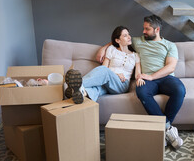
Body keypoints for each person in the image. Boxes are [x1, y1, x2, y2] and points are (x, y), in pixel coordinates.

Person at [96, 15, 186, 150]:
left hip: (165, 78)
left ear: (157, 30)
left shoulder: (170, 45)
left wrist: (153, 76)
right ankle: (168, 129)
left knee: (180, 90)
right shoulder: (138, 41)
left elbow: (170, 67)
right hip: (146, 78)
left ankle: (163, 131)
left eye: (147, 29)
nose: (143, 32)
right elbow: (119, 40)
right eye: (144, 28)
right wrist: (103, 48)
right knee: (141, 92)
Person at [65, 26, 144, 104]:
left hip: (122, 84)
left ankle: (77, 85)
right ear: (117, 40)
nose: (129, 37)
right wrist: (115, 74)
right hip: (107, 83)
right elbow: (104, 68)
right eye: (125, 35)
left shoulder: (135, 55)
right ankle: (81, 93)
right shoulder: (112, 49)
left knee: (104, 72)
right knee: (98, 88)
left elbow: (138, 73)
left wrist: (139, 78)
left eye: (128, 34)